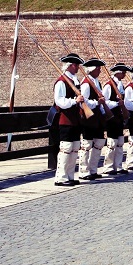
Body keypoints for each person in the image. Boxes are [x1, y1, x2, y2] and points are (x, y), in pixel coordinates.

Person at [53, 53, 85, 187]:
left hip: (75, 119)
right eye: (76, 65)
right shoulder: (61, 82)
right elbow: (59, 101)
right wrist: (74, 101)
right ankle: (61, 177)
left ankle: (70, 175)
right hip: (65, 119)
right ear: (71, 65)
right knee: (66, 148)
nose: (78, 67)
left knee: (75, 148)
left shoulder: (74, 81)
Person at [78, 58, 108, 181]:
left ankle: (93, 169)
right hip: (88, 117)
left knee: (99, 142)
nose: (100, 71)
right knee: (87, 144)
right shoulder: (86, 83)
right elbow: (83, 102)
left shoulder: (97, 82)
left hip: (97, 117)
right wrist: (97, 102)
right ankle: (84, 171)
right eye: (98, 68)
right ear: (93, 69)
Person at [101, 63, 129, 176]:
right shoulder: (108, 85)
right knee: (112, 142)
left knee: (120, 142)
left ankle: (118, 165)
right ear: (117, 72)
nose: (124, 74)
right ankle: (108, 166)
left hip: (119, 116)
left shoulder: (120, 84)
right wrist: (117, 103)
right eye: (123, 72)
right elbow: (105, 102)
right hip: (111, 116)